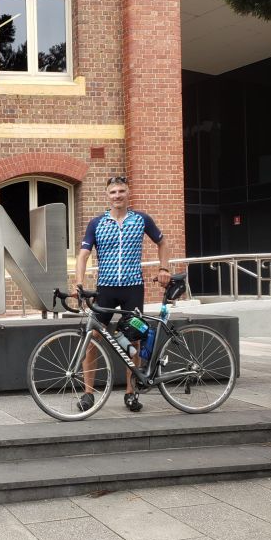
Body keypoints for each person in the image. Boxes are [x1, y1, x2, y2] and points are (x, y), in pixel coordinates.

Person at [74, 176, 171, 412]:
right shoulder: (96, 223)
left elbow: (162, 242)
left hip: (133, 288)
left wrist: (164, 268)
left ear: (128, 193)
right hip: (105, 288)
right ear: (107, 195)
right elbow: (83, 254)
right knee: (92, 338)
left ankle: (131, 392)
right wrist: (79, 283)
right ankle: (88, 393)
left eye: (121, 191)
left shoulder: (141, 220)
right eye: (113, 192)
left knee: (133, 339)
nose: (117, 195)